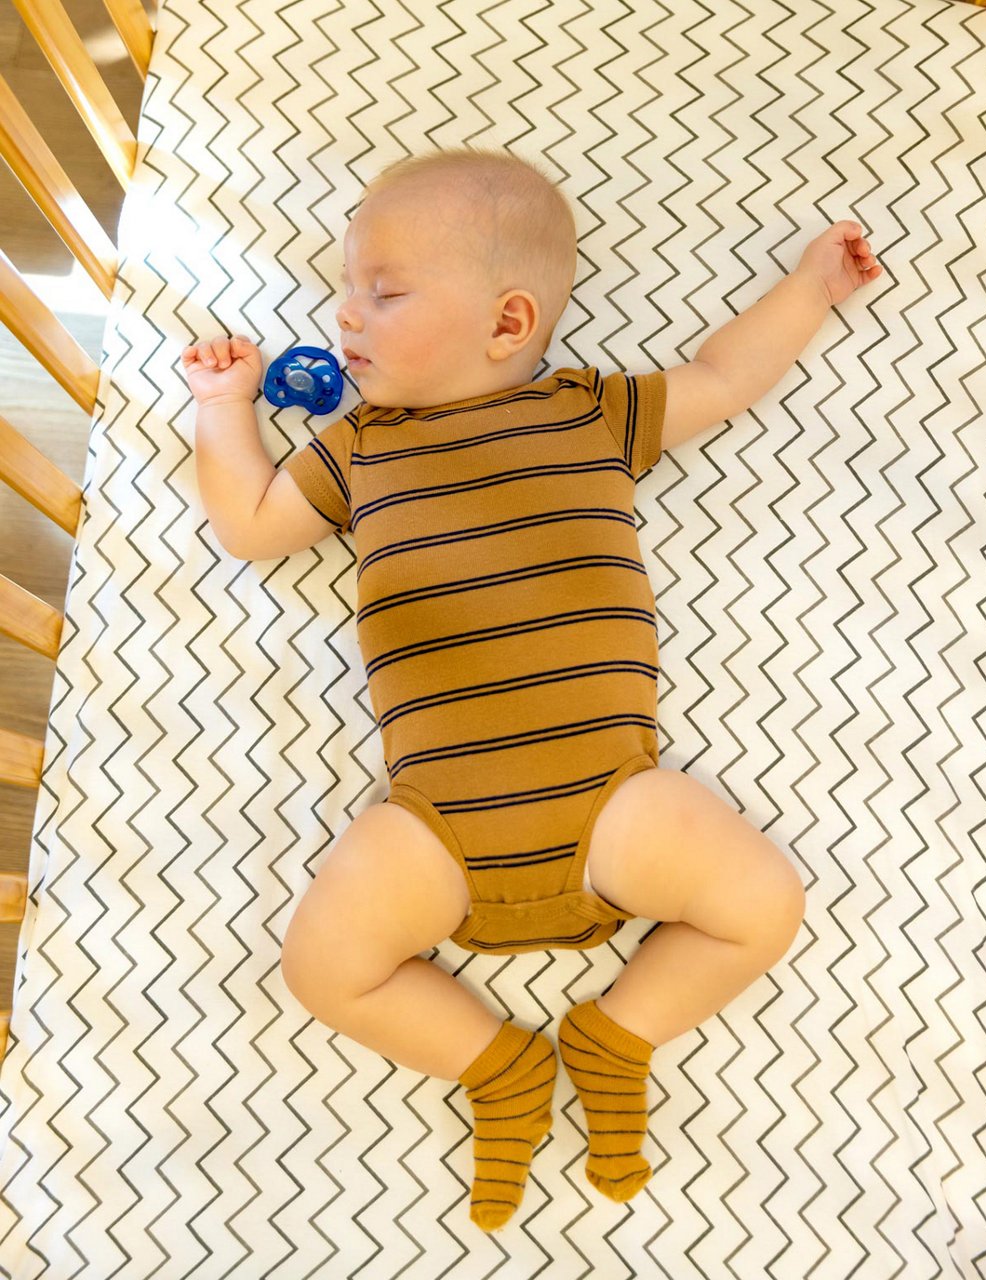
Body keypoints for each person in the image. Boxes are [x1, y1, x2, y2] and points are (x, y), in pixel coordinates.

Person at [182, 147, 882, 1232]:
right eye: (344, 287)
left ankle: (620, 1031)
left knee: (762, 904)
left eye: (383, 290)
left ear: (508, 324)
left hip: (610, 796)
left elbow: (722, 378)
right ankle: (495, 1062)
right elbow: (248, 522)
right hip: (436, 820)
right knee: (322, 964)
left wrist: (807, 289)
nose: (344, 316)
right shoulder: (358, 444)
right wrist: (224, 406)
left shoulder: (586, 411)